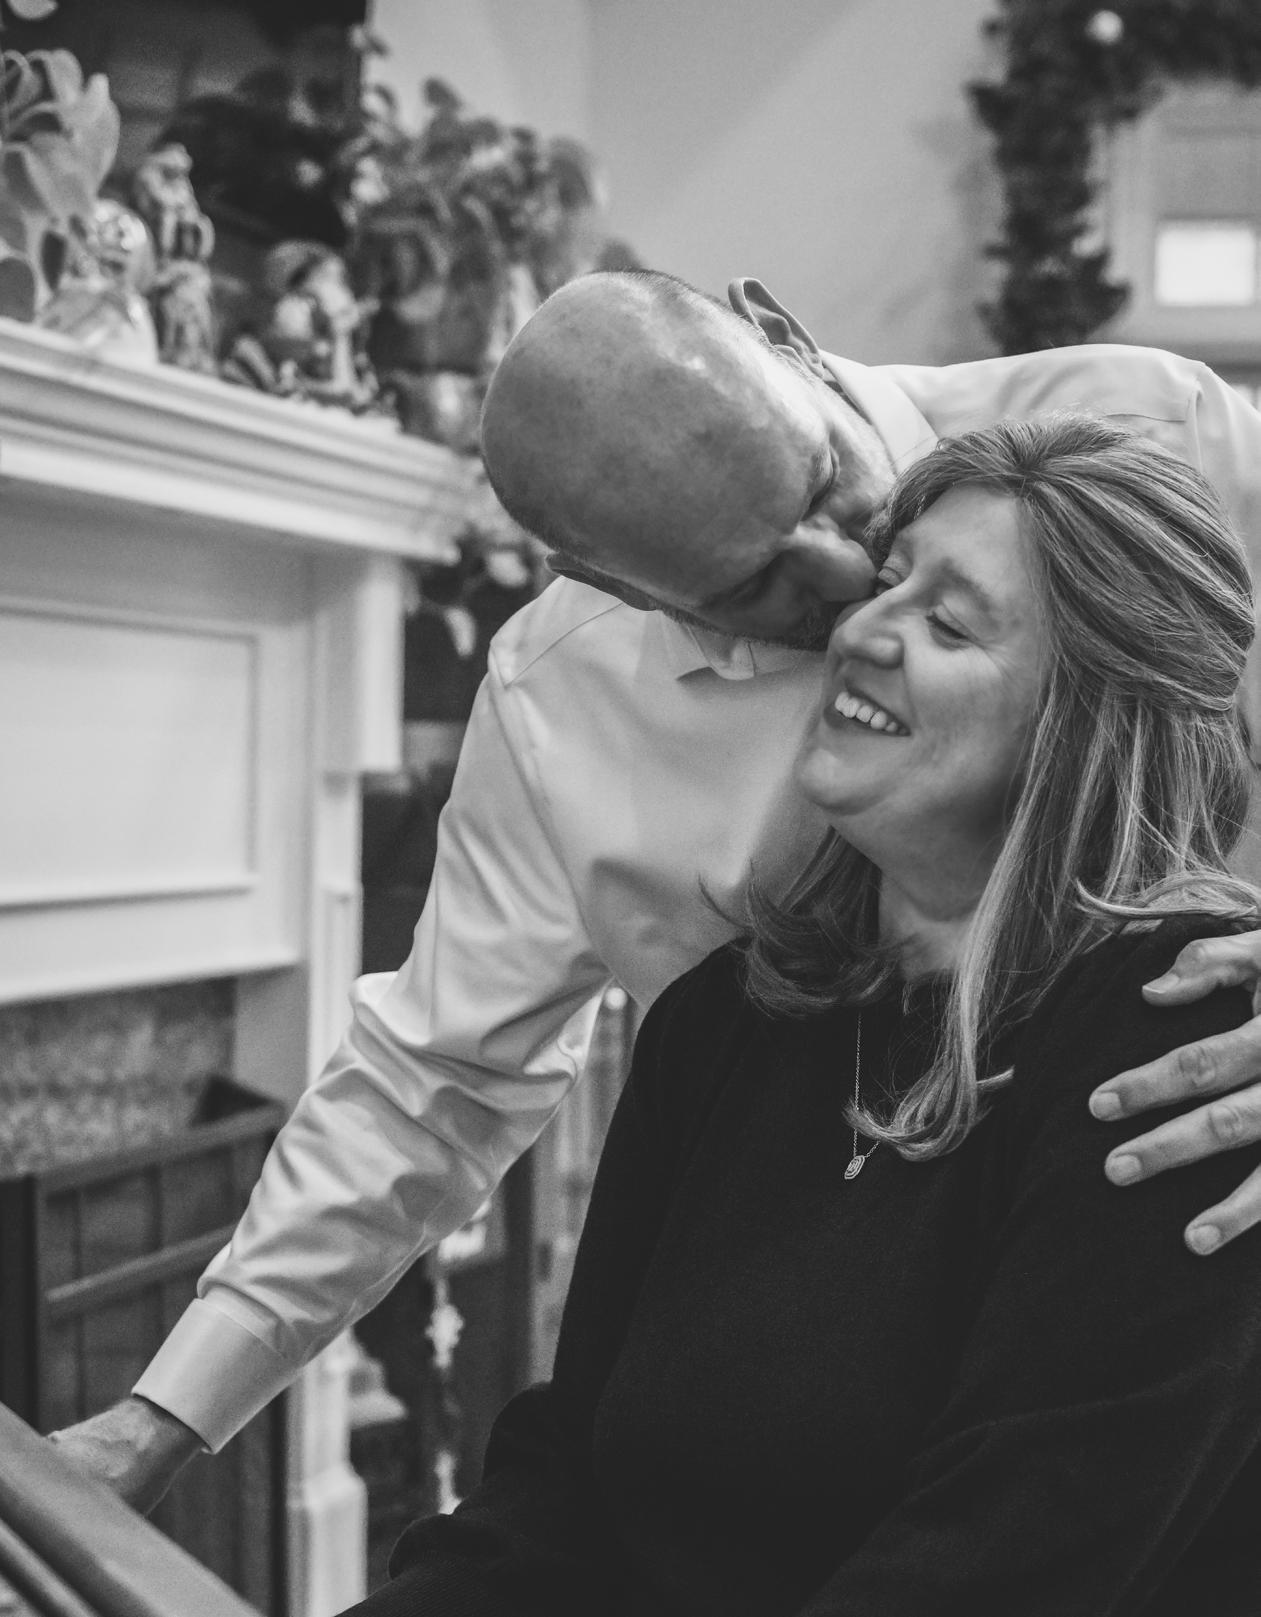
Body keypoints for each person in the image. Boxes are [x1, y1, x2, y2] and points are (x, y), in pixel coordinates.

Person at [52, 270, 1261, 1508]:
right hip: (817, 1378)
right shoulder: (561, 702)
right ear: (611, 583)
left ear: (782, 334)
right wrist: (160, 1419)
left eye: (821, 487)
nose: (845, 580)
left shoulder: (1157, 437)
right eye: (750, 587)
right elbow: (431, 1085)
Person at [346, 414, 1261, 1617]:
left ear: (1084, 721)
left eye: (949, 624)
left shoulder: (1189, 1045)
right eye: (887, 585)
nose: (862, 632)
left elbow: (1003, 1565)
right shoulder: (721, 1022)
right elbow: (570, 1482)